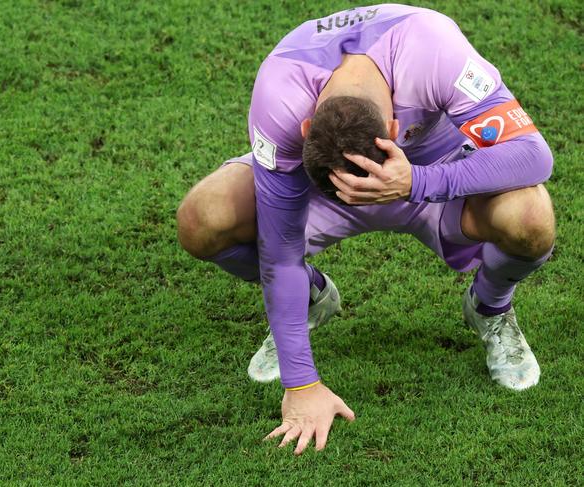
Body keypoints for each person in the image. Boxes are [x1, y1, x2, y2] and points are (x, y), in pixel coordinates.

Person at [176, 4, 555, 455]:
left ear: (395, 130)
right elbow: (279, 254)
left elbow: (534, 155)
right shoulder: (280, 87)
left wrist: (418, 181)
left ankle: (490, 309)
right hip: (325, 195)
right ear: (305, 127)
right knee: (203, 219)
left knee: (531, 217)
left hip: (431, 176)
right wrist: (301, 386)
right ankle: (310, 299)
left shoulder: (432, 47)